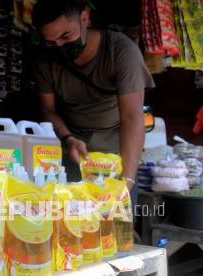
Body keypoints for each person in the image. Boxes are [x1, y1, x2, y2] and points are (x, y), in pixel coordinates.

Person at [31, 0, 155, 192]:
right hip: (70, 151)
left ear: (85, 18)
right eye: (50, 42)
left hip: (114, 156)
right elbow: (47, 110)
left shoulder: (121, 52)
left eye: (66, 36)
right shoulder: (45, 57)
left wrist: (127, 181)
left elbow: (132, 119)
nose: (59, 46)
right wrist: (69, 139)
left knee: (116, 217)